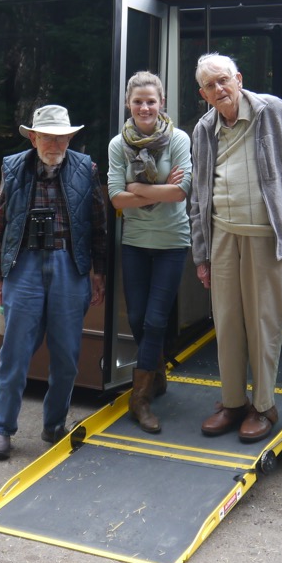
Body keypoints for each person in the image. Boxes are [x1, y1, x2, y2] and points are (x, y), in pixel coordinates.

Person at [188, 53, 282, 443]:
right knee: (226, 322)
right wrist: (201, 254)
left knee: (263, 322)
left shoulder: (272, 112)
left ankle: (264, 407)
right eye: (210, 85)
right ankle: (232, 402)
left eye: (224, 80)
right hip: (222, 234)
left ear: (238, 78)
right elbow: (198, 195)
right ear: (203, 93)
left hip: (265, 234)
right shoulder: (204, 129)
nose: (219, 89)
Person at [0, 104, 108, 460]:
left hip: (69, 265)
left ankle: (54, 425)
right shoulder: (13, 168)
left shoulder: (86, 169)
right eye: (47, 136)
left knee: (67, 355)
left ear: (70, 138)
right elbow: (0, 227)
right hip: (23, 265)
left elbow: (98, 228)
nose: (54, 143)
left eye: (61, 136)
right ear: (34, 137)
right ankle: (1, 429)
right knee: (14, 354)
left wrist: (97, 273)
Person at [107, 71, 192, 433]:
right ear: (129, 104)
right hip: (135, 243)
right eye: (138, 101)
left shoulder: (178, 139)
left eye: (151, 101)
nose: (144, 107)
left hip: (172, 241)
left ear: (161, 104)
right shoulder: (118, 145)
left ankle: (139, 398)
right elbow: (115, 198)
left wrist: (135, 187)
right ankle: (155, 374)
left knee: (156, 320)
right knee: (138, 317)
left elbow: (180, 192)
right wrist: (151, 189)